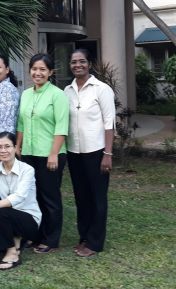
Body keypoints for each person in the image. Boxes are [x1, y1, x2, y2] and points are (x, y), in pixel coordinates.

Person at [64, 49, 115, 257]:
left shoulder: (101, 89)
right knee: (81, 197)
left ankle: (95, 243)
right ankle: (84, 237)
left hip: (96, 152)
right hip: (74, 152)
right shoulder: (67, 90)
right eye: (74, 62)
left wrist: (108, 154)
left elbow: (109, 123)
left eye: (82, 61)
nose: (78, 65)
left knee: (97, 198)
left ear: (89, 64)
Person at [16, 53, 69, 254]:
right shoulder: (26, 94)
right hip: (29, 154)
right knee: (32, 197)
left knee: (49, 198)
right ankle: (35, 235)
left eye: (42, 69)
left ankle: (51, 239)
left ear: (50, 73)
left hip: (50, 154)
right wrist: (18, 147)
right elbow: (21, 123)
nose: (37, 73)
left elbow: (61, 126)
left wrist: (54, 153)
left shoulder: (58, 95)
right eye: (34, 69)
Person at [0, 132, 42, 271]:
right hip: (7, 217)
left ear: (15, 147)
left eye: (7, 146)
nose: (3, 151)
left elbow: (19, 197)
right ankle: (18, 239)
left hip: (28, 219)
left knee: (1, 211)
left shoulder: (27, 170)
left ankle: (12, 253)